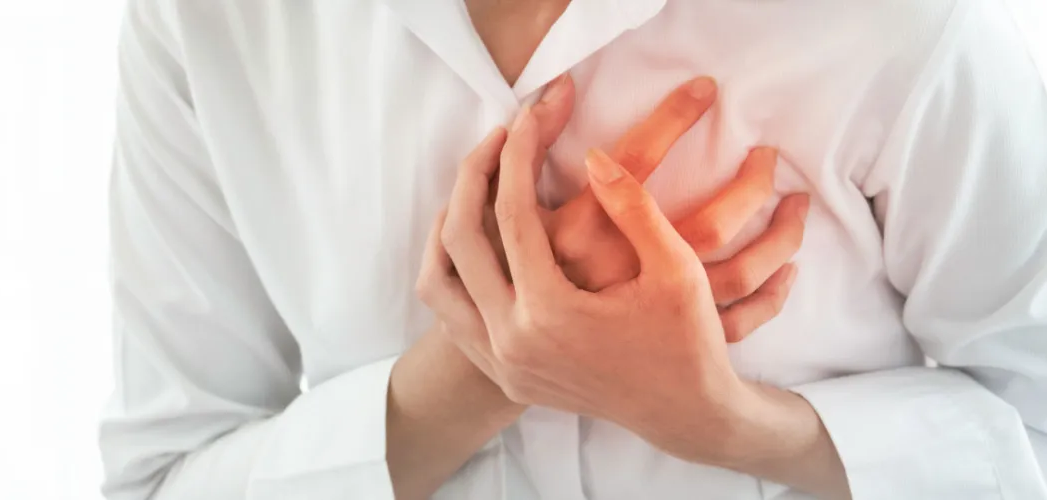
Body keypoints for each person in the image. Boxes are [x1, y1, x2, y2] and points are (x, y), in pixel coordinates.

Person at [99, 0, 1047, 499]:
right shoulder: (206, 21)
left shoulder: (900, 21)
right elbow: (162, 480)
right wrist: (470, 379)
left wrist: (737, 427)